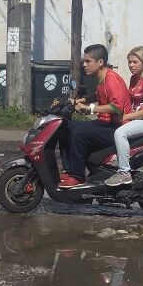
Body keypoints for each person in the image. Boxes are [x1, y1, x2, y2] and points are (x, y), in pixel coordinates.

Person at [59, 44, 132, 188]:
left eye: (88, 61)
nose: (84, 65)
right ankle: (69, 170)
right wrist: (80, 100)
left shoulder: (112, 80)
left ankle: (77, 176)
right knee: (64, 126)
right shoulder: (101, 79)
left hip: (116, 127)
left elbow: (117, 107)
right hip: (104, 123)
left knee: (78, 133)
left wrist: (89, 109)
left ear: (100, 62)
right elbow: (98, 94)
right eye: (83, 61)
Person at [104, 46, 143, 186]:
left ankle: (124, 172)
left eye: (135, 62)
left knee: (120, 133)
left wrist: (126, 117)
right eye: (129, 62)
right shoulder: (133, 79)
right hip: (138, 119)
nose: (131, 65)